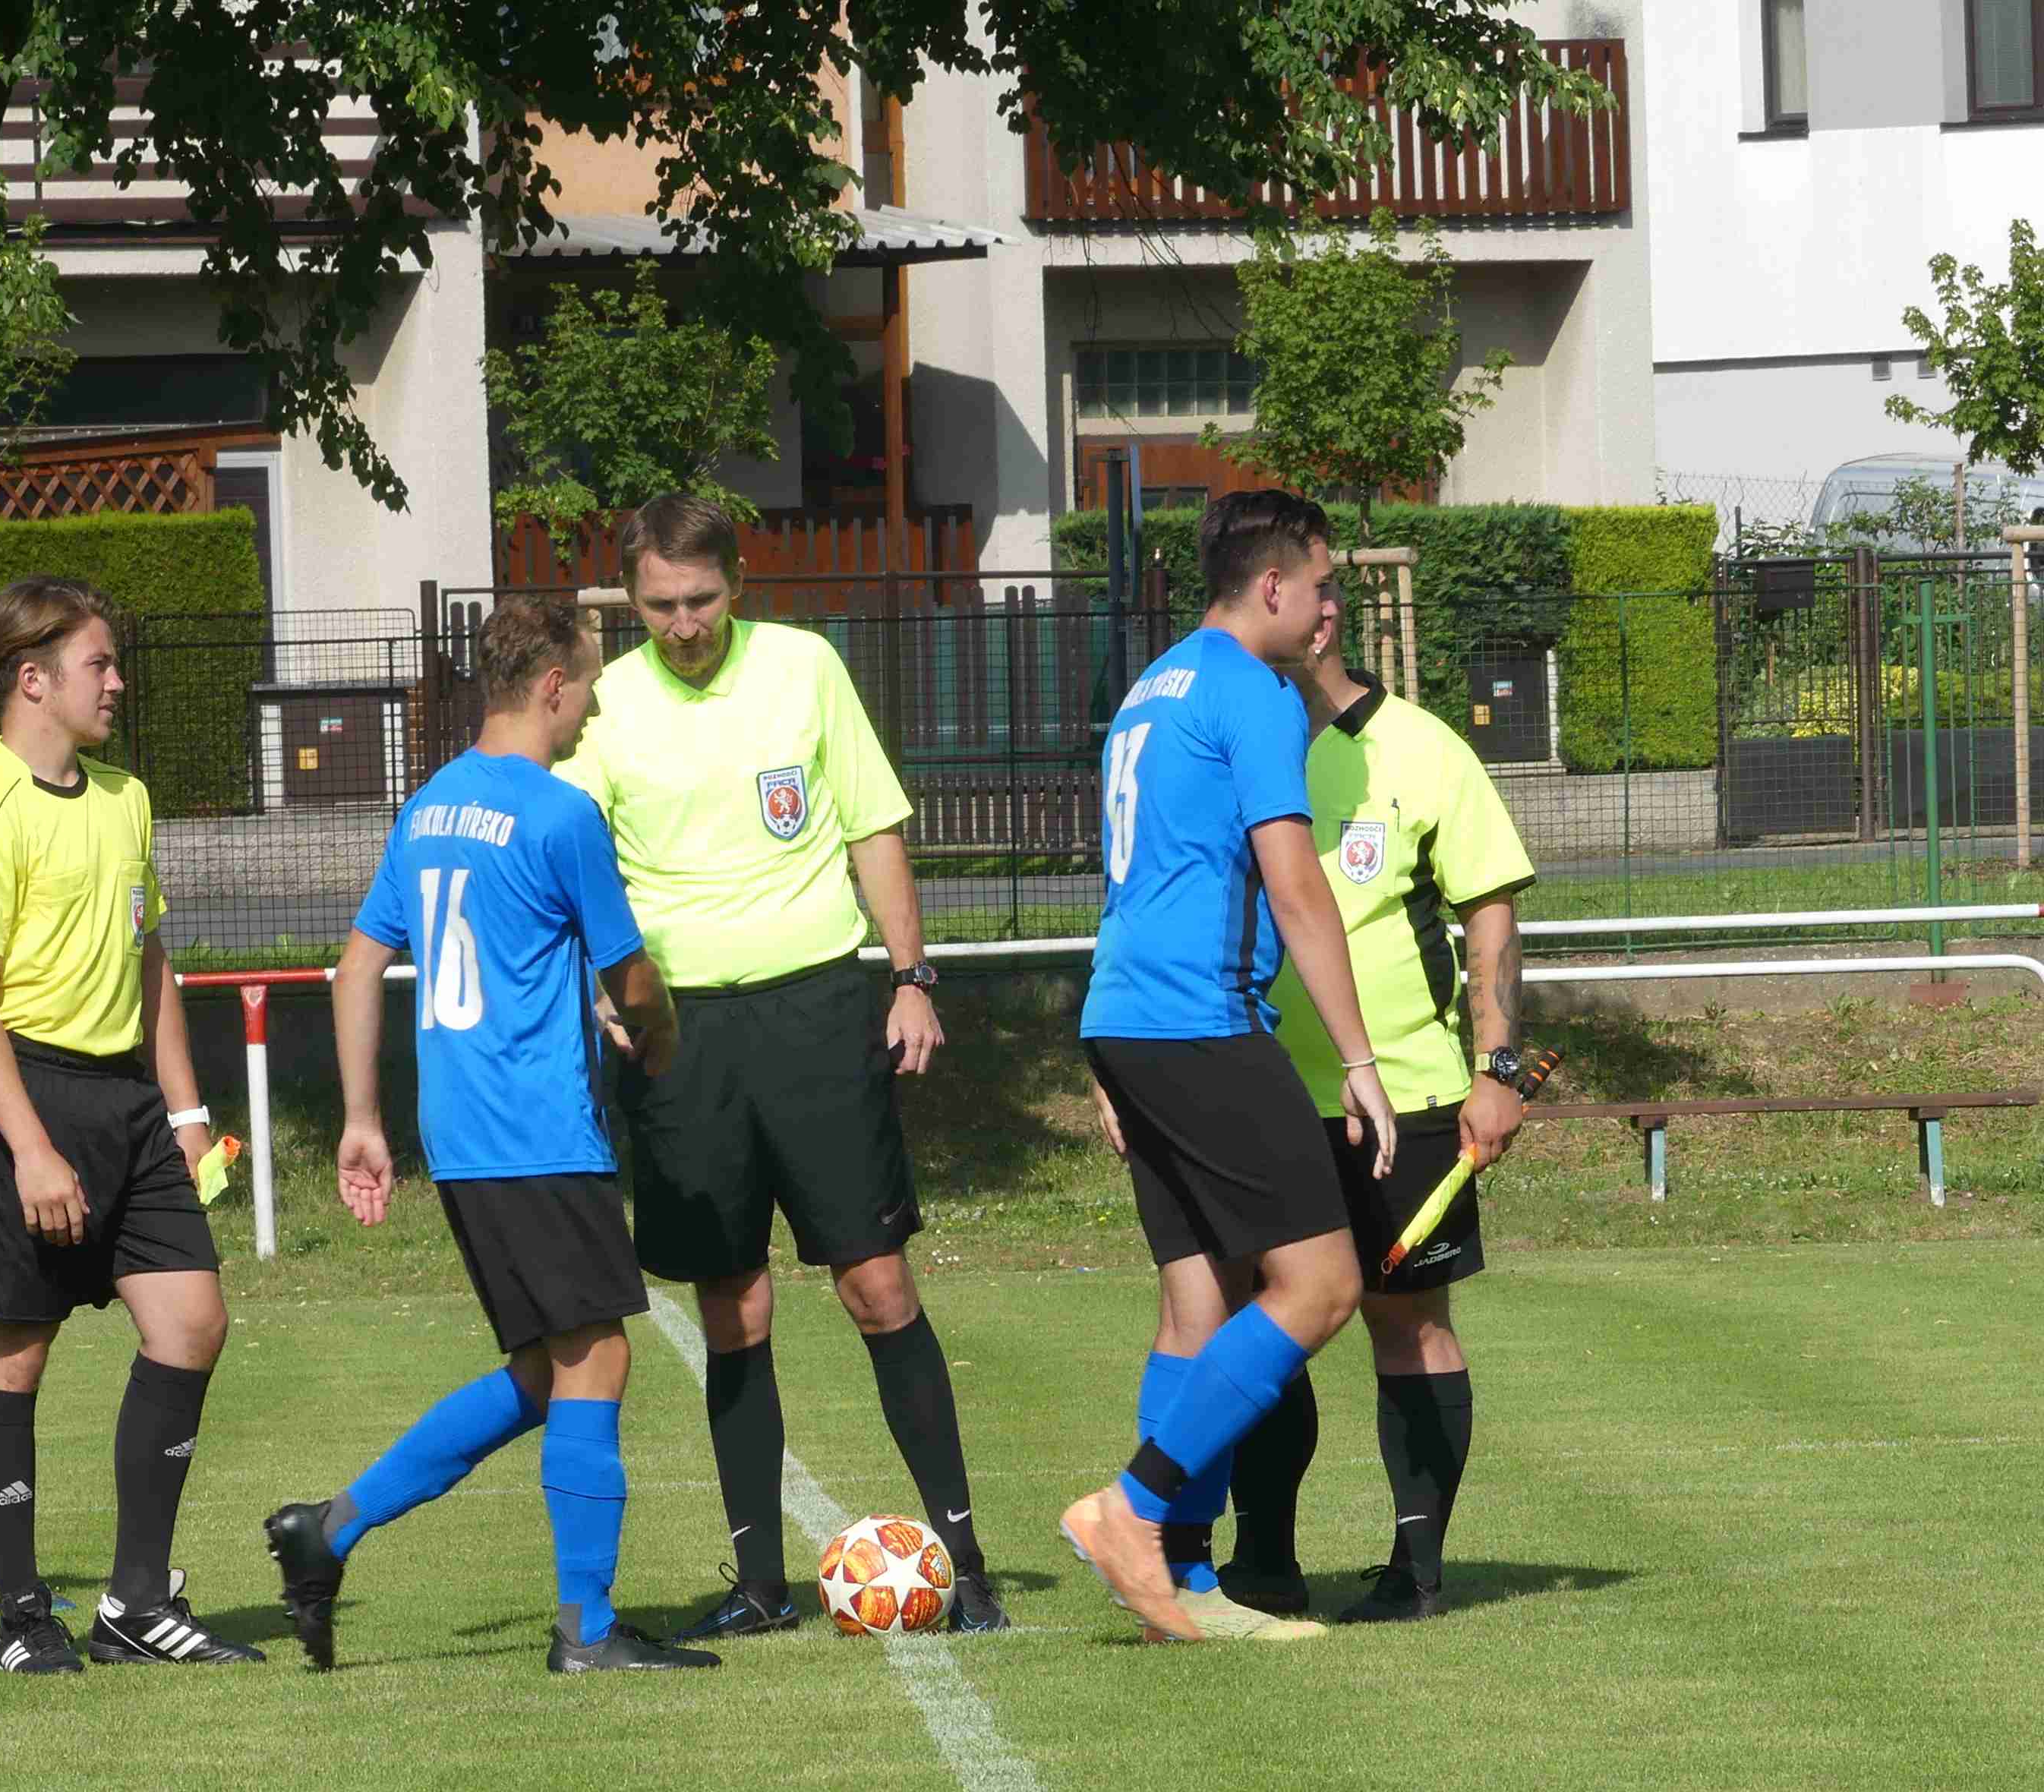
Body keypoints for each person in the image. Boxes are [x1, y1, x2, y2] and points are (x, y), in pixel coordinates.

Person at [556, 492, 1008, 1642]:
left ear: (738, 582)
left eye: (701, 600)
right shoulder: (606, 704)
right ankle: (759, 1584)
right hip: (679, 1036)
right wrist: (599, 988)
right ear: (630, 598)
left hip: (816, 1012)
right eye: (660, 605)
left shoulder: (806, 667)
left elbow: (872, 826)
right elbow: (567, 853)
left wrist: (912, 976)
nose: (683, 624)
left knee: (877, 1284)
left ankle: (965, 1565)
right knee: (732, 1304)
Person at [264, 595, 717, 1675]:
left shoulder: (428, 808)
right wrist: (658, 1037)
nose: (592, 710)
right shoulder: (561, 814)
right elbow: (632, 977)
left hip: (462, 1135)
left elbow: (358, 968)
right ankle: (586, 1632)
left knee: (541, 1372)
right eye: (588, 687)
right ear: (551, 684)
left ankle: (327, 1529)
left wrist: (363, 1119)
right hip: (539, 1130)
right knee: (597, 1355)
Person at [1059, 487, 1397, 1645]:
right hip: (1198, 1020)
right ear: (1273, 585)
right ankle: (1134, 1508)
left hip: (1129, 1015)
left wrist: (1106, 1049)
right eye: (1323, 585)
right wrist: (1358, 1058)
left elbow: (1135, 879)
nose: (1331, 608)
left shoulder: (1152, 688)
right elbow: (1294, 886)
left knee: (1199, 1302)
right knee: (1321, 1286)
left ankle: (1184, 1587)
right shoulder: (1255, 693)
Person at [0, 576, 257, 1674]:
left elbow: (150, 961)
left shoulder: (126, 799)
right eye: (99, 664)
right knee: (16, 1353)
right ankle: (23, 1617)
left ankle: (135, 1606)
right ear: (34, 679)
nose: (117, 682)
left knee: (192, 1323)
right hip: (22, 1095)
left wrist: (189, 1114)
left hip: (129, 1103)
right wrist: (29, 1147)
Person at [1210, 582, 1538, 1624]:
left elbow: (1490, 911)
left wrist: (1497, 1067)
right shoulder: (1230, 739)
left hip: (1409, 1094)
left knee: (1410, 1323)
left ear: (1326, 619)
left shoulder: (1424, 749)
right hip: (1258, 1090)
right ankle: (1264, 1561)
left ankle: (1417, 1571)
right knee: (1265, 1327)